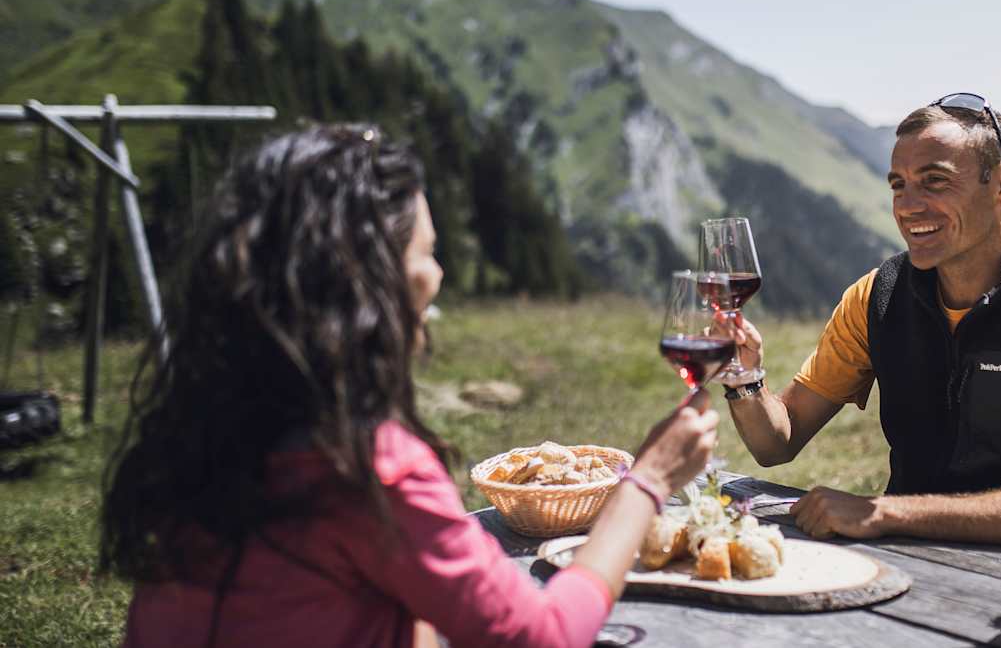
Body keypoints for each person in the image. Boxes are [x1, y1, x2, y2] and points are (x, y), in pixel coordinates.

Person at [99, 124, 718, 647]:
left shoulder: (208, 438)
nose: (438, 275)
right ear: (367, 278)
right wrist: (649, 480)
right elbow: (543, 636)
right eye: (426, 251)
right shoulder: (364, 469)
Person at [723, 93, 1001, 549]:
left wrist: (888, 512)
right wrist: (744, 377)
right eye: (898, 185)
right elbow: (777, 442)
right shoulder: (875, 297)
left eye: (935, 181)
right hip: (903, 568)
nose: (908, 206)